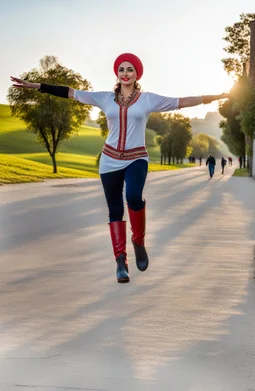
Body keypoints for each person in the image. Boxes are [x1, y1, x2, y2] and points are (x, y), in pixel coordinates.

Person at [11, 53, 229, 284]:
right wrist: (36, 86)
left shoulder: (148, 100)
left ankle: (138, 241)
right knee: (115, 209)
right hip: (110, 159)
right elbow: (70, 93)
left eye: (130, 70)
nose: (125, 73)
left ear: (137, 75)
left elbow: (181, 101)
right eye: (121, 69)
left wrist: (215, 97)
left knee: (134, 197)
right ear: (117, 74)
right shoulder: (105, 98)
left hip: (137, 158)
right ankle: (120, 261)